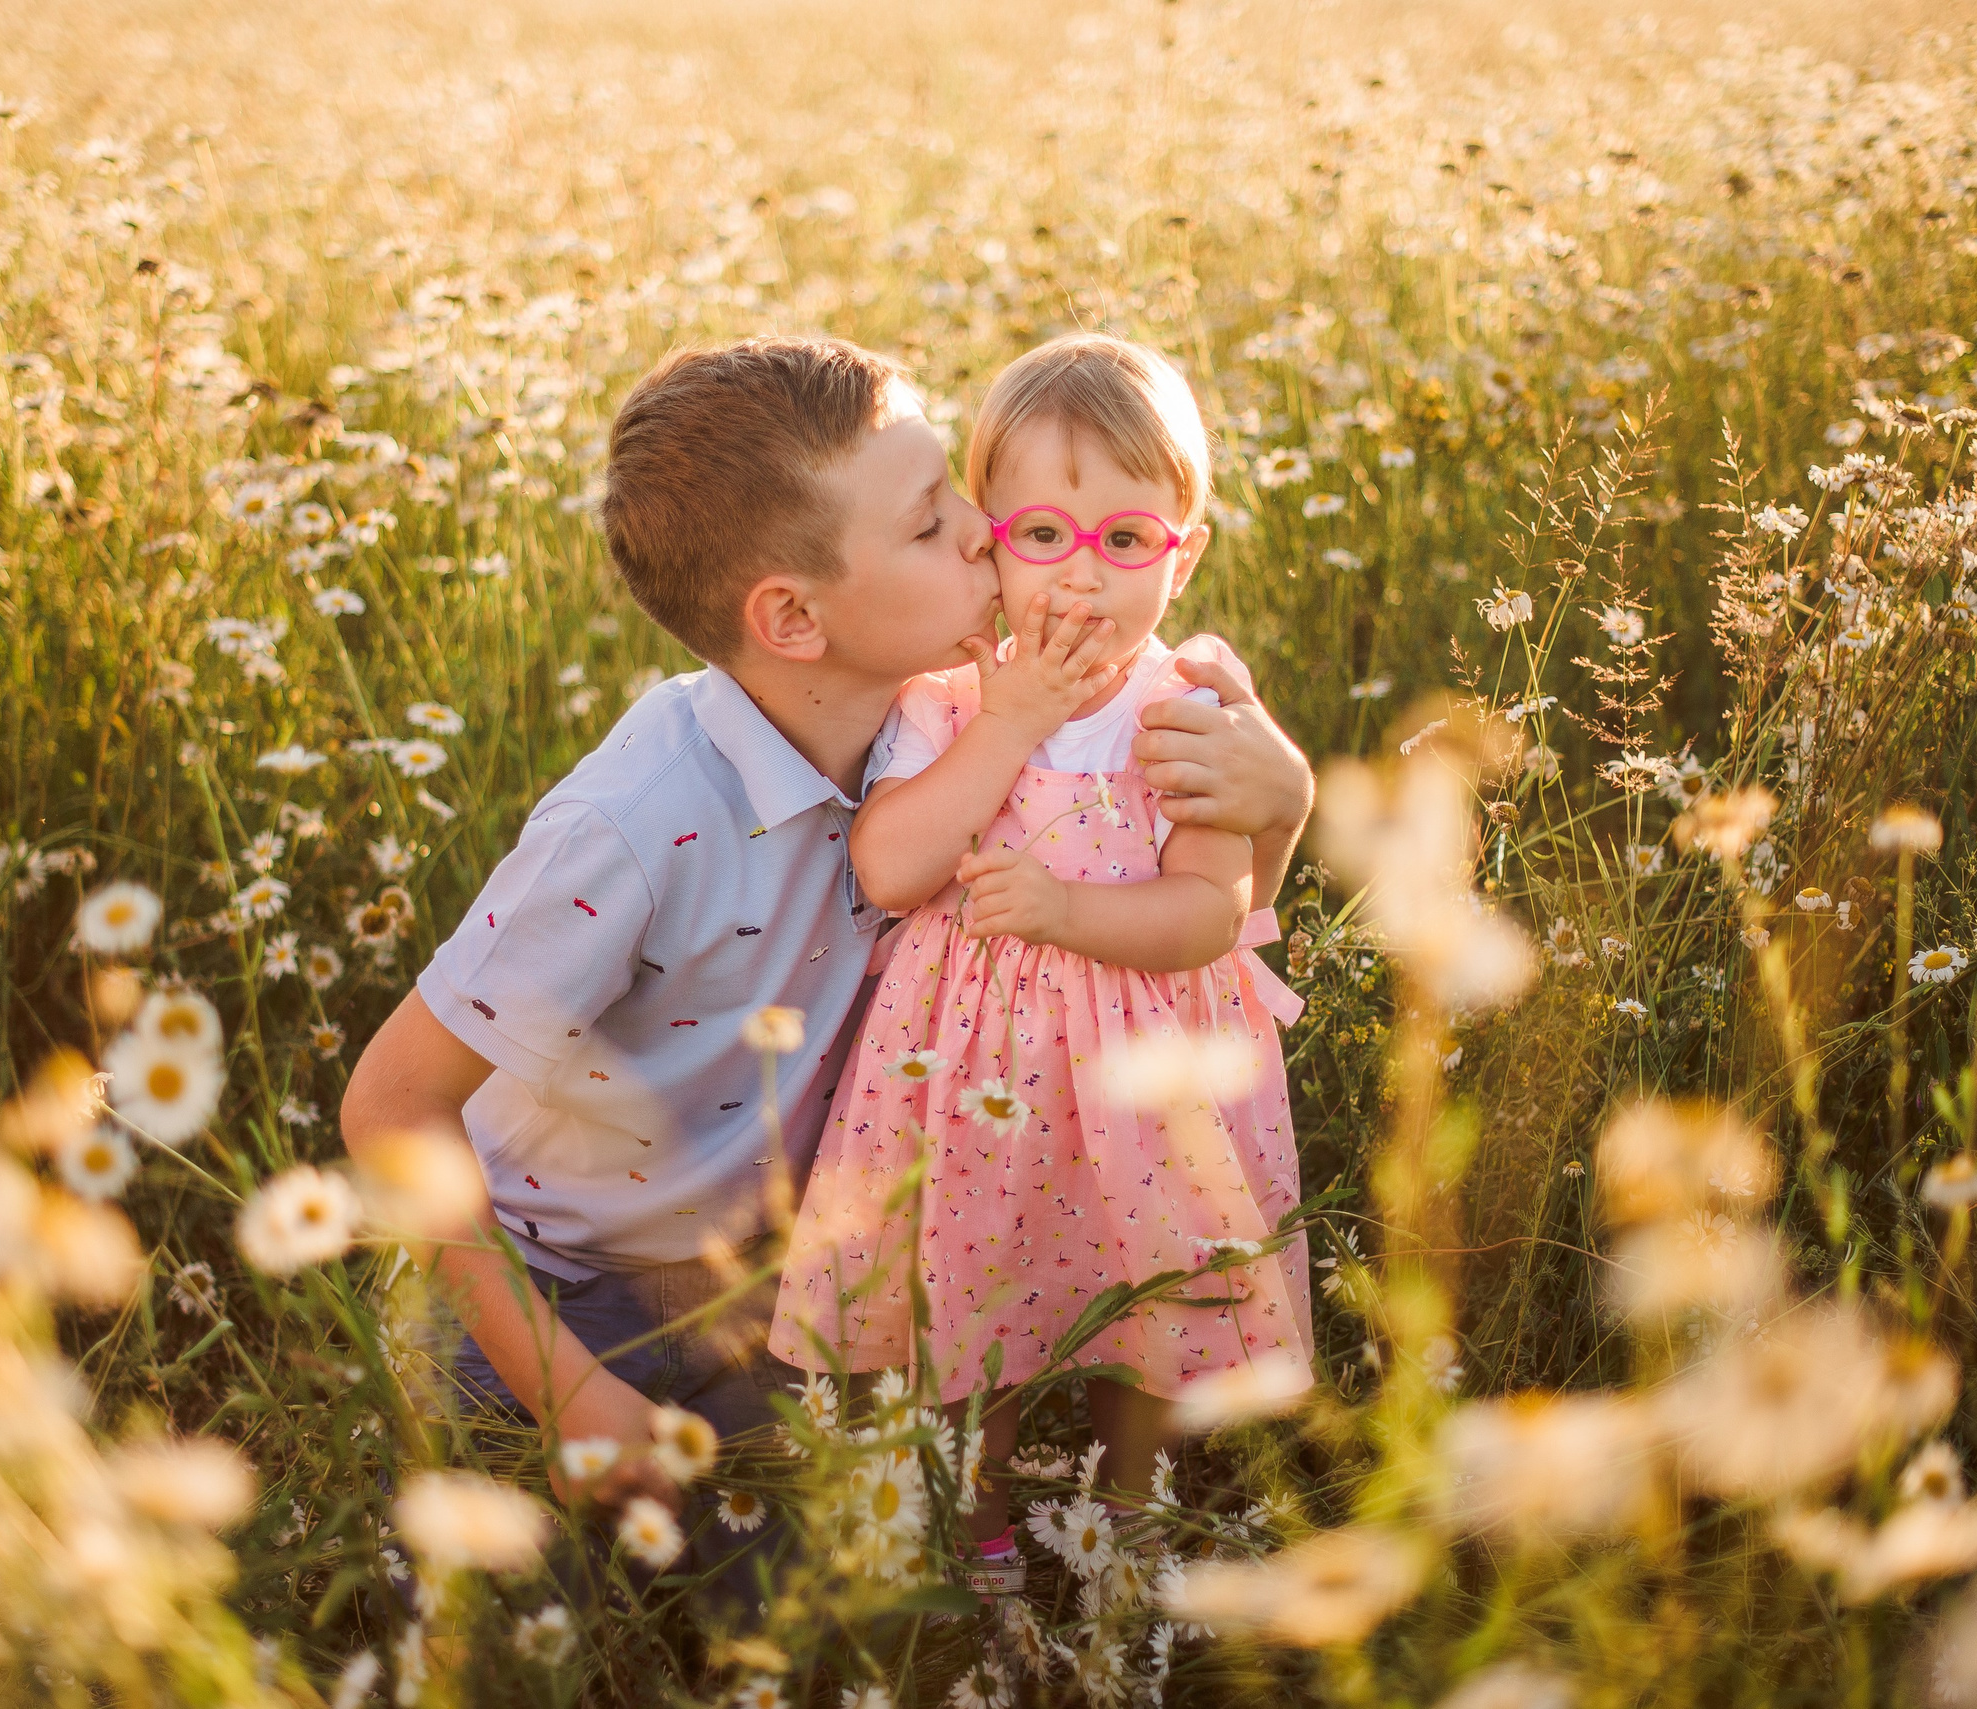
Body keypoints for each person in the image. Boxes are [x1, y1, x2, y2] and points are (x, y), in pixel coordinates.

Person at [337, 335, 1315, 1523]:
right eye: (930, 521)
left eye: (962, 494)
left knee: (858, 1599)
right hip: (564, 1301)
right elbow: (389, 1107)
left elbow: (1196, 911)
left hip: (790, 1280)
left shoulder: (946, 717)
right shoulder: (637, 822)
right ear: (795, 618)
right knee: (513, 1619)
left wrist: (1286, 799)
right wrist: (569, 1392)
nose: (984, 532)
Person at [767, 334, 1315, 1596]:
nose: (1081, 576)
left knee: (1156, 1300)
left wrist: (1064, 908)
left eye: (1127, 540)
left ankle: (1129, 1506)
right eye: (1043, 536)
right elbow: (892, 864)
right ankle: (982, 1514)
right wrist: (1007, 722)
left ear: (1187, 553)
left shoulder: (1185, 705)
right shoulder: (946, 699)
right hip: (972, 1075)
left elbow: (1206, 911)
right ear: (987, 545)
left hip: (1150, 1070)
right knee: (976, 1291)